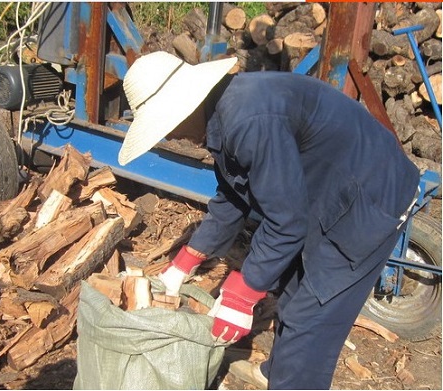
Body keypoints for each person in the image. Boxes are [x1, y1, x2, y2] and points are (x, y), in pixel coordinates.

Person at [117, 51, 420, 389]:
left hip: (373, 194)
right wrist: (188, 259)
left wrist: (242, 292)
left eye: (167, 126)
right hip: (331, 187)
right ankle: (276, 374)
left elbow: (287, 223)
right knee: (289, 290)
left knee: (313, 316)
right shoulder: (227, 112)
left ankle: (292, 382)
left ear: (184, 106)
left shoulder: (248, 120)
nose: (170, 136)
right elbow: (235, 195)